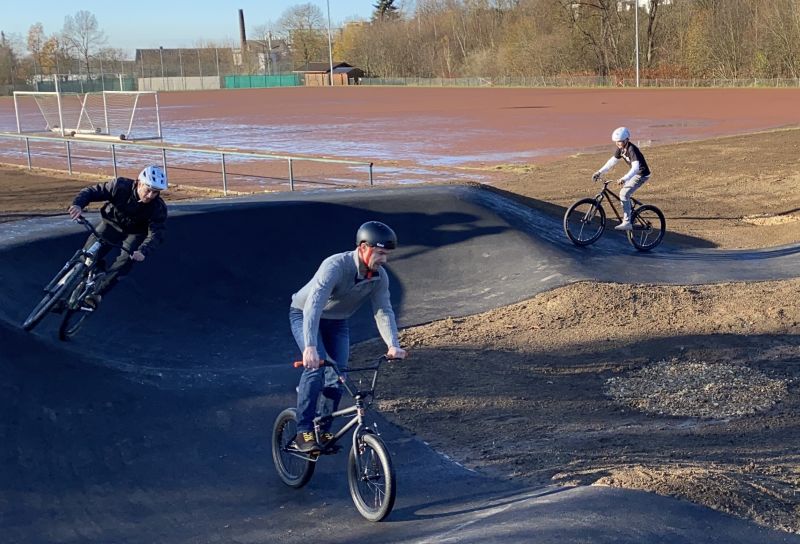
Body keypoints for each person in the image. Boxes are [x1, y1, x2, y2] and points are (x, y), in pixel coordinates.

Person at [289, 221, 407, 453]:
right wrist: (310, 347)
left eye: (388, 254)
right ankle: (302, 432)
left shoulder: (379, 277)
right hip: (305, 315)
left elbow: (383, 310)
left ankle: (322, 429)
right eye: (381, 253)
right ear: (364, 247)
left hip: (337, 322)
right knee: (315, 369)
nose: (385, 260)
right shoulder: (335, 266)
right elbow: (313, 306)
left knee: (338, 376)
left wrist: (393, 345)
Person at [66, 165, 168, 308]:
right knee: (87, 255)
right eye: (148, 190)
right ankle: (64, 289)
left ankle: (96, 294)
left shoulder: (158, 208)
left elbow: (157, 233)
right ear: (139, 183)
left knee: (126, 261)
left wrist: (143, 251)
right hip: (111, 224)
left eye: (155, 192)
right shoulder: (120, 186)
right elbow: (91, 192)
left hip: (135, 233)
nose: (150, 195)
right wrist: (78, 205)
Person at [592, 126, 651, 231]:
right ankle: (632, 214)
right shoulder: (621, 149)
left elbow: (636, 168)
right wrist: (599, 172)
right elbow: (612, 162)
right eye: (616, 142)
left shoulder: (631, 149)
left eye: (620, 142)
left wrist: (624, 178)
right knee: (624, 194)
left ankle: (627, 222)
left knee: (623, 194)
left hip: (641, 174)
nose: (617, 144)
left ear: (626, 140)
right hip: (634, 174)